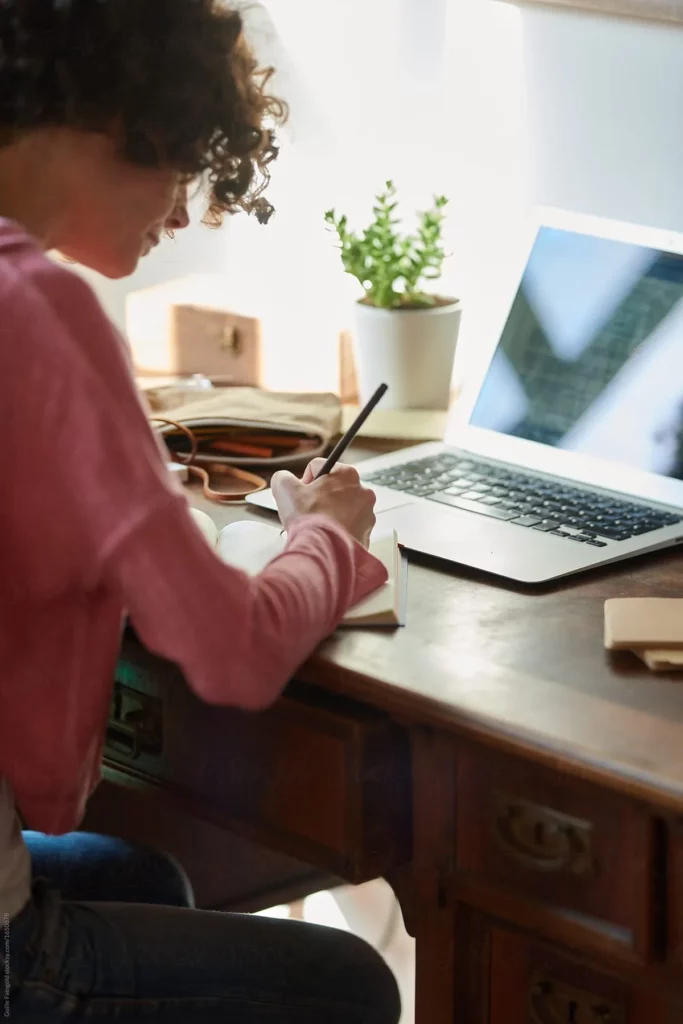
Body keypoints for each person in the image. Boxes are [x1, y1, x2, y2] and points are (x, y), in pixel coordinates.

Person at [0, 1, 401, 1021]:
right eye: (182, 164)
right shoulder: (35, 312)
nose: (181, 213)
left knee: (145, 881)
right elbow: (230, 651)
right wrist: (325, 535)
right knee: (350, 984)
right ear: (112, 118)